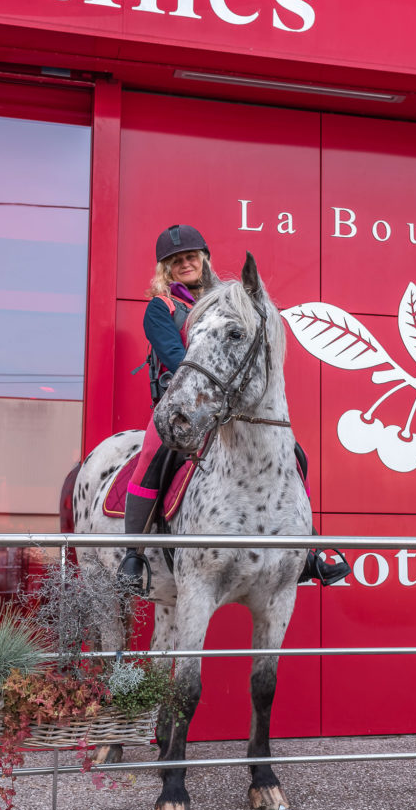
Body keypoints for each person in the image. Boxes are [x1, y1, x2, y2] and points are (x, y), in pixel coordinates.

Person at [117, 224, 350, 589]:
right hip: (186, 401)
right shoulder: (161, 309)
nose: (185, 264)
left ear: (203, 258)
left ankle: (308, 549)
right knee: (152, 455)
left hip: (229, 402)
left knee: (293, 455)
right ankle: (132, 554)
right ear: (166, 269)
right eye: (175, 261)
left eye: (190, 257)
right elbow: (179, 359)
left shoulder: (225, 301)